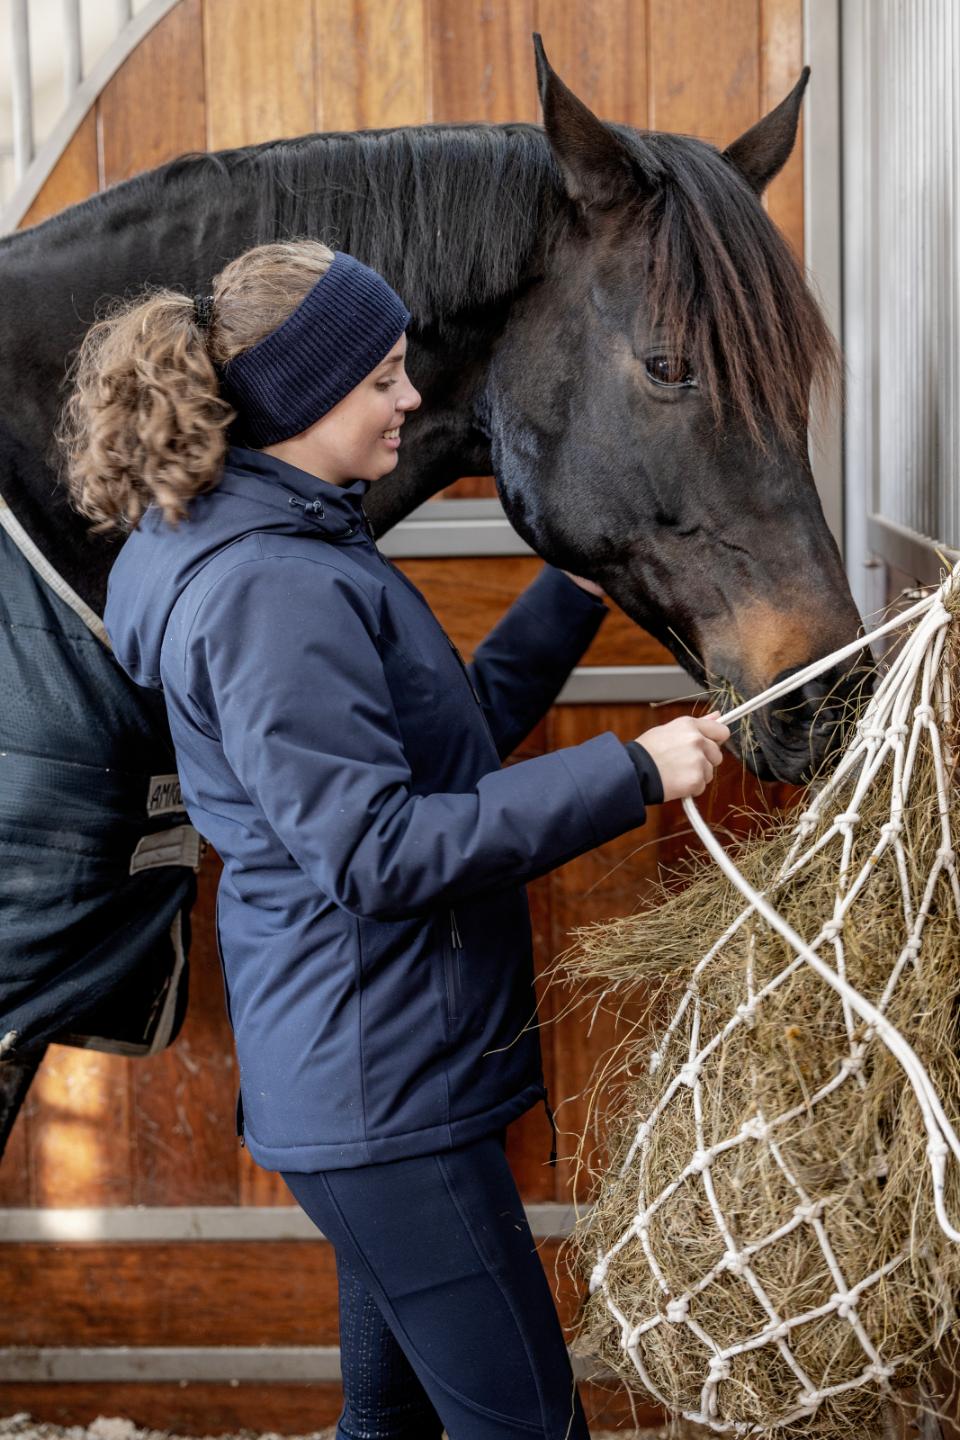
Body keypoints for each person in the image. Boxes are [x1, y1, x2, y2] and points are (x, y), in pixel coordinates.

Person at [61, 239, 730, 1440]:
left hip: (368, 1076)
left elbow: (440, 744)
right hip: (381, 1088)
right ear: (301, 398)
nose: (411, 400)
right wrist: (634, 770)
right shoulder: (270, 586)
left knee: (391, 1426)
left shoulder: (279, 542)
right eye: (380, 378)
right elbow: (372, 851)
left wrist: (571, 597)